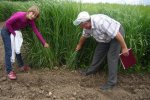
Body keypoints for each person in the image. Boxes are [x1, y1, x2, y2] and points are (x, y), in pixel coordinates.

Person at [73, 11, 129, 90]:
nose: (83, 28)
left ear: (86, 22)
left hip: (117, 34)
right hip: (105, 37)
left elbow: (116, 34)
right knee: (98, 53)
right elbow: (84, 36)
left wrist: (124, 47)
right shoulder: (86, 26)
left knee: (111, 57)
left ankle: (111, 83)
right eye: (82, 26)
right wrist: (79, 45)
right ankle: (91, 71)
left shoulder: (101, 22)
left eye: (83, 26)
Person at [1, 5, 49, 80]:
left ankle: (21, 66)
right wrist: (13, 33)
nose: (33, 16)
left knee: (17, 48)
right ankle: (9, 71)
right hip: (6, 31)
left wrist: (44, 42)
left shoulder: (31, 21)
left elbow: (36, 31)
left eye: (35, 16)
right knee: (9, 51)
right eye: (33, 14)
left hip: (14, 32)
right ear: (29, 11)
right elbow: (7, 24)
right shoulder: (20, 15)